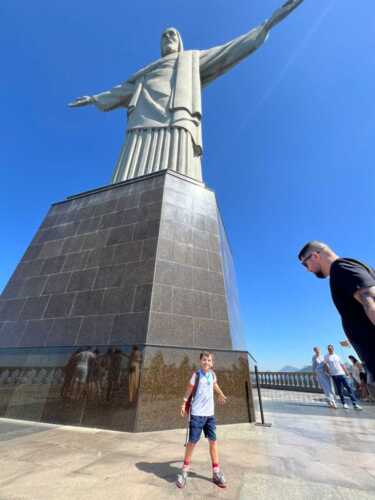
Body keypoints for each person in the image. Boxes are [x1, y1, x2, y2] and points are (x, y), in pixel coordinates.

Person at [69, 1, 304, 184]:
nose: (168, 38)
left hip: (177, 115)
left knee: (179, 169)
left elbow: (229, 51)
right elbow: (121, 91)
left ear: (180, 42)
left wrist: (268, 24)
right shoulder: (144, 73)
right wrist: (93, 99)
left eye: (172, 35)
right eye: (164, 36)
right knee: (130, 168)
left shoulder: (191, 60)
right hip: (142, 120)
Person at [298, 241, 375, 383]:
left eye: (305, 264)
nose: (308, 270)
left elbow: (370, 300)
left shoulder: (341, 268)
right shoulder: (350, 267)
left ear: (314, 256)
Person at [176, 352, 227, 489]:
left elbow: (215, 385)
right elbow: (189, 389)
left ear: (212, 363)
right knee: (192, 443)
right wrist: (183, 403)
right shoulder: (196, 375)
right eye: (204, 360)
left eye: (209, 360)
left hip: (210, 415)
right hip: (197, 415)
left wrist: (220, 393)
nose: (206, 362)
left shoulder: (212, 375)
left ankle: (216, 472)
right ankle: (184, 471)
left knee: (213, 442)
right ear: (200, 361)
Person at [324, 345, 362, 410]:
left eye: (331, 348)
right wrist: (328, 371)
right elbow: (325, 364)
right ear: (328, 349)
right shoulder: (326, 356)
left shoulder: (337, 356)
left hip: (342, 374)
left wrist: (346, 371)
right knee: (340, 390)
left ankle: (354, 404)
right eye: (329, 349)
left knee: (348, 388)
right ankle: (344, 403)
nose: (330, 349)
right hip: (334, 375)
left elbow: (341, 364)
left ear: (333, 349)